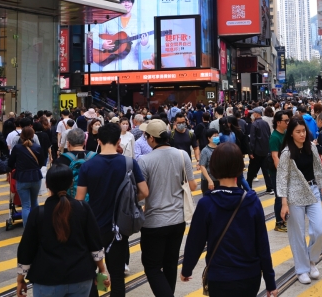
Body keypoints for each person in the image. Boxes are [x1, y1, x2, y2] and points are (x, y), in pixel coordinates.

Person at [181, 142, 277, 296]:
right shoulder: (252, 201)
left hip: (219, 277)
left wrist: (187, 269)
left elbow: (195, 241)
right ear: (240, 167)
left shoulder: (206, 203)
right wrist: (270, 282)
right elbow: (262, 244)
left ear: (213, 168)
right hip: (249, 276)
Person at [76, 123, 148, 297]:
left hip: (93, 227)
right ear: (118, 141)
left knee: (92, 271)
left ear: (98, 141)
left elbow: (79, 200)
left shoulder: (87, 166)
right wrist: (129, 202)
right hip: (119, 228)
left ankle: (97, 291)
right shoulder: (129, 163)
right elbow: (144, 192)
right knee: (117, 274)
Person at [16, 165, 108, 297]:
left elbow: (26, 249)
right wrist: (102, 269)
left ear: (47, 184)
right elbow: (95, 243)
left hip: (47, 279)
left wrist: (20, 279)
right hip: (81, 277)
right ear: (71, 183)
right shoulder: (83, 208)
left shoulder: (38, 214)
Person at [138, 119, 197, 296]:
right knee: (171, 264)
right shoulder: (182, 155)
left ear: (151, 138)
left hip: (154, 222)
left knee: (152, 267)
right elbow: (193, 186)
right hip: (178, 220)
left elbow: (142, 194)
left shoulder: (144, 160)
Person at [276, 116, 322, 285]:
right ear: (291, 133)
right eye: (298, 131)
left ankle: (312, 260)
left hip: (313, 191)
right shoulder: (286, 153)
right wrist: (284, 203)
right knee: (297, 234)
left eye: (303, 131)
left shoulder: (311, 147)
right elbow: (282, 179)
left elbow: (318, 169)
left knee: (319, 228)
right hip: (294, 196)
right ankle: (302, 269)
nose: (302, 134)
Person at [8, 126, 48, 227]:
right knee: (35, 202)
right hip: (36, 177)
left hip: (22, 177)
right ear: (33, 135)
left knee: (25, 205)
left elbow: (10, 163)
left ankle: (27, 229)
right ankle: (37, 226)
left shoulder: (17, 148)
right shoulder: (37, 147)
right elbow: (42, 162)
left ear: (21, 136)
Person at [271, 110, 291, 232]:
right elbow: (275, 156)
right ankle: (279, 223)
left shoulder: (286, 133)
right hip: (277, 172)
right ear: (278, 122)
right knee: (279, 197)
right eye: (286, 121)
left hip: (287, 169)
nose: (288, 122)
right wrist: (281, 173)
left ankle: (284, 218)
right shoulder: (274, 137)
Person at [247, 107, 273, 191]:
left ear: (257, 114)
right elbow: (269, 135)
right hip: (265, 151)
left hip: (256, 151)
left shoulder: (254, 124)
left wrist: (251, 151)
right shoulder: (265, 123)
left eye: (253, 113)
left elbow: (252, 139)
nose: (252, 115)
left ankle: (248, 187)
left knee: (251, 171)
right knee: (265, 170)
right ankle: (269, 187)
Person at [199, 129, 219, 195]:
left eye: (217, 135)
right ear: (209, 138)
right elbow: (202, 166)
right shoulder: (205, 151)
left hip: (219, 180)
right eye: (214, 136)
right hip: (208, 181)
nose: (217, 137)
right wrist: (209, 180)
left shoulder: (220, 148)